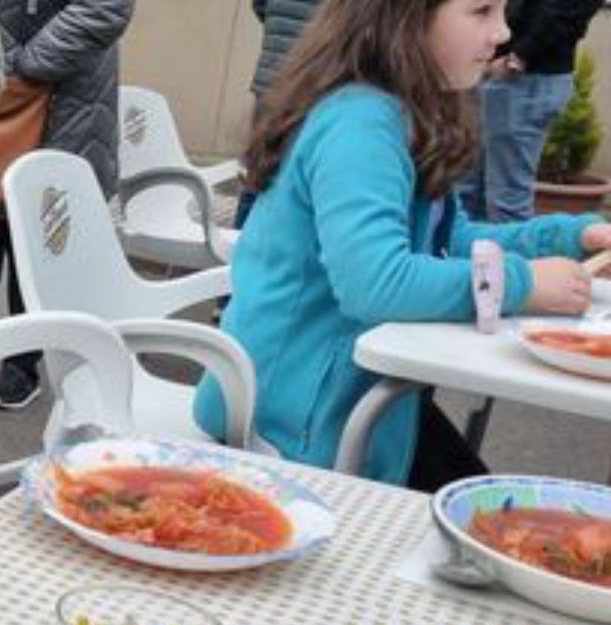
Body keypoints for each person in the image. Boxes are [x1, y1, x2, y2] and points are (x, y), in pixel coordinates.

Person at [194, 0, 611, 492]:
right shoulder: (361, 123)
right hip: (293, 425)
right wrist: (520, 284)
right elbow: (374, 283)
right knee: (484, 527)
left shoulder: (402, 111)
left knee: (488, 509)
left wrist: (568, 237)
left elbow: (446, 240)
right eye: (481, 12)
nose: (502, 33)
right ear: (402, 19)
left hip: (347, 399)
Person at [0, 0, 135, 411]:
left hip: (62, 98)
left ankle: (22, 364)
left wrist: (26, 65)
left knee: (31, 248)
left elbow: (105, 9)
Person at [460, 0, 603, 222]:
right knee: (467, 192)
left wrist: (518, 57)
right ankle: (461, 255)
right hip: (499, 72)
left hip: (523, 79)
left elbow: (568, 10)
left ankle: (511, 257)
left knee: (506, 201)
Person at [236, 0, 326, 227]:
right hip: (310, 84)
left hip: (269, 82)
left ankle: (240, 243)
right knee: (297, 181)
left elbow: (260, 7)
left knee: (258, 173)